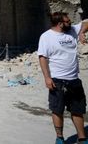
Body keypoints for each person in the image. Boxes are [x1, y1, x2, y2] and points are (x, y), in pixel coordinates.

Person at [38, 12, 88, 144]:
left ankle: (82, 138)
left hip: (74, 80)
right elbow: (43, 57)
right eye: (67, 21)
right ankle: (59, 137)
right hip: (57, 81)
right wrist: (47, 78)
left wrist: (82, 32)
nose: (70, 23)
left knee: (78, 110)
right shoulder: (46, 37)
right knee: (57, 110)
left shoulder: (72, 30)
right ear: (60, 24)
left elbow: (86, 22)